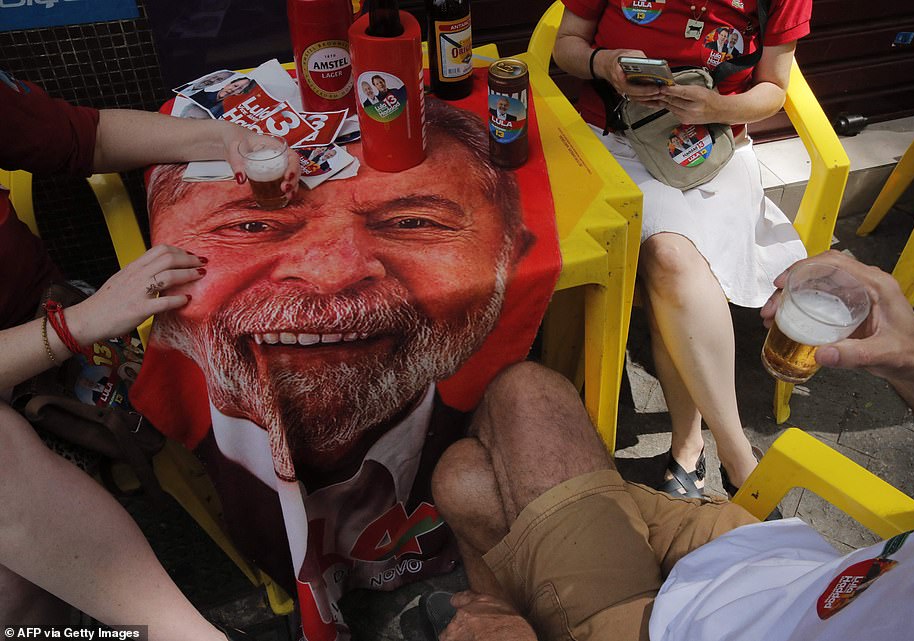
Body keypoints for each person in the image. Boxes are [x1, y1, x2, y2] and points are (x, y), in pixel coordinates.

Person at [141, 99, 536, 637]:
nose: (330, 274)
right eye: (252, 226)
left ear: (513, 256)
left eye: (412, 222)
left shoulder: (485, 432)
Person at [428, 250, 914, 641]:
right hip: (772, 568)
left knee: (501, 428)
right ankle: (499, 606)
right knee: (465, 477)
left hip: (676, 627)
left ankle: (494, 616)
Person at [0, 67, 296, 637]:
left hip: (52, 331)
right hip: (64, 334)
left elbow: (86, 138)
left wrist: (226, 137)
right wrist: (82, 322)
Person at [553, 0, 811, 499]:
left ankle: (690, 451)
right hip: (617, 144)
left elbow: (773, 90)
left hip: (715, 145)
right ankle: (739, 463)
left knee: (671, 269)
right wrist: (601, 64)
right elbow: (566, 45)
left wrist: (718, 107)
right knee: (670, 259)